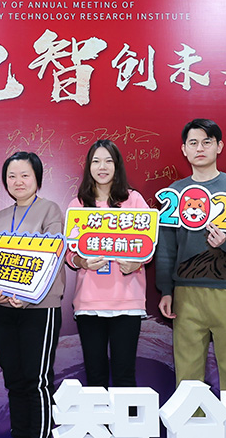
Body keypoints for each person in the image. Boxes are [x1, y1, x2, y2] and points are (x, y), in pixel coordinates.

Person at [156, 119, 226, 393]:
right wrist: (166, 290)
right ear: (184, 149)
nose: (200, 148)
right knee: (187, 374)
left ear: (219, 146)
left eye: (207, 142)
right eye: (193, 143)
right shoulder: (175, 192)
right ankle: (192, 420)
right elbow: (166, 247)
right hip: (186, 293)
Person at [0, 151, 65, 438]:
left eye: (25, 175)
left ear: (37, 178)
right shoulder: (0, 217)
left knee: (37, 381)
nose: (18, 181)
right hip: (3, 311)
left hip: (39, 309)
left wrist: (30, 295)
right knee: (14, 380)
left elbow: (52, 258)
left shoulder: (50, 210)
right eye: (11, 176)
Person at [66, 139, 151, 390]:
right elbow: (69, 254)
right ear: (88, 167)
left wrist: (135, 264)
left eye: (108, 161)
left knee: (125, 376)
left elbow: (148, 246)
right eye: (96, 161)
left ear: (117, 165)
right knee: (95, 378)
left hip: (127, 301)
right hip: (89, 303)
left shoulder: (133, 200)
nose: (102, 167)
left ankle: (126, 420)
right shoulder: (78, 204)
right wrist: (82, 261)